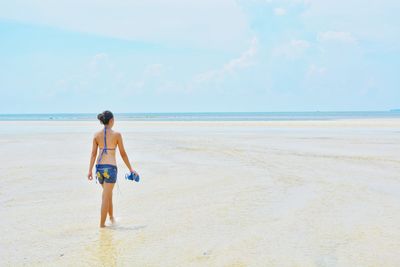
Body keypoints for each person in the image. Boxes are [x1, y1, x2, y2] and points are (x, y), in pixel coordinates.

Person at [87, 110, 139, 228]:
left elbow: (93, 154)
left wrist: (90, 170)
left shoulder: (96, 135)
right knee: (106, 196)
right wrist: (131, 169)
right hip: (110, 169)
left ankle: (111, 218)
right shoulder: (117, 135)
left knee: (108, 194)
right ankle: (102, 226)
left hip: (99, 169)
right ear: (111, 121)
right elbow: (123, 154)